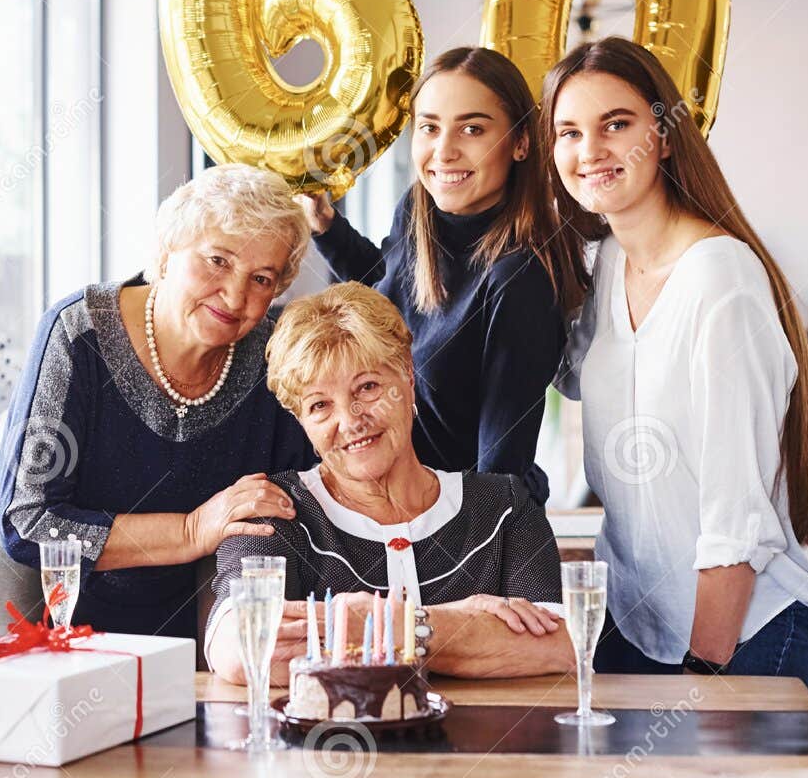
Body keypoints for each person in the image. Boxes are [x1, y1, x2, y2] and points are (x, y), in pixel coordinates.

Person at [548, 36, 808, 685]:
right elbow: (570, 379)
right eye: (568, 132)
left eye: (615, 124)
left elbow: (736, 519)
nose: (589, 150)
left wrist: (703, 671)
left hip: (743, 628)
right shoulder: (609, 269)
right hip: (635, 616)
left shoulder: (721, 280)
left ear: (664, 135)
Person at [0, 164, 315, 638]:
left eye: (262, 278)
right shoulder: (78, 334)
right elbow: (30, 522)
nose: (235, 293)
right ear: (166, 254)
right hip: (59, 632)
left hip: (210, 634)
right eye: (217, 260)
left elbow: (301, 506)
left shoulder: (274, 355)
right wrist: (191, 531)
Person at [204, 282, 574, 684]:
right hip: (330, 745)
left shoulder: (503, 507)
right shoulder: (275, 513)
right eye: (320, 405)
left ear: (408, 377)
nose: (350, 421)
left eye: (367, 387)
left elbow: (559, 646)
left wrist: (403, 626)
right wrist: (459, 628)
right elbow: (242, 650)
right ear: (301, 421)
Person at [297, 47, 585, 503]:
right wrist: (326, 226)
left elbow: (499, 478)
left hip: (458, 533)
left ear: (520, 142)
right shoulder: (418, 211)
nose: (444, 151)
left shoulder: (519, 279)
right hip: (391, 511)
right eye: (429, 127)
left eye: (472, 129)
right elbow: (386, 290)